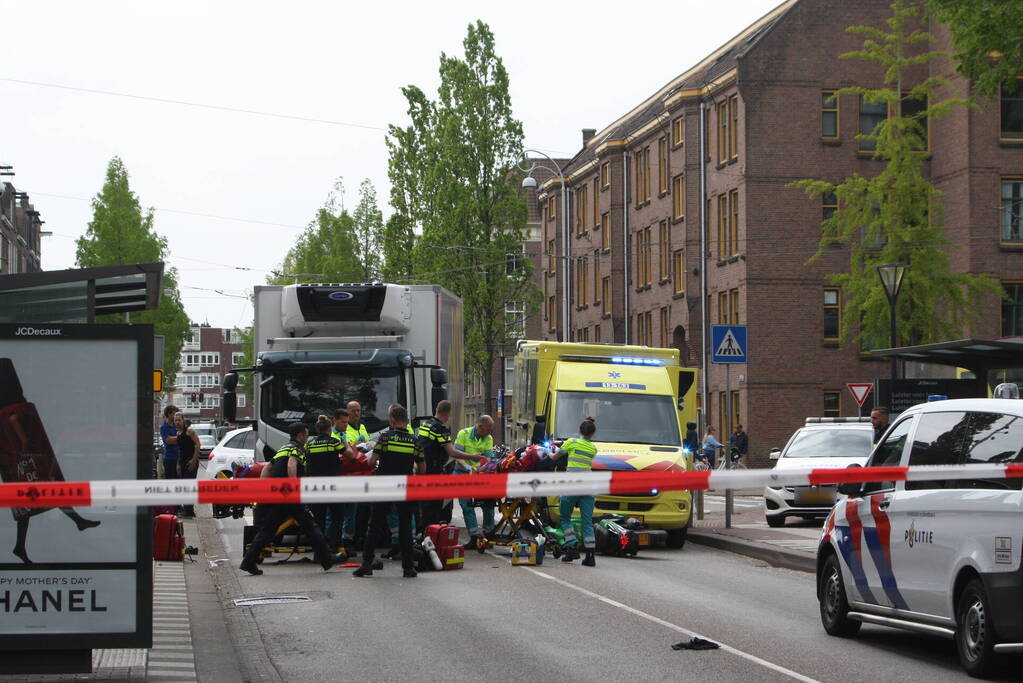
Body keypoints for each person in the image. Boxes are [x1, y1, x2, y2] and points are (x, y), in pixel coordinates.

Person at [239, 423, 343, 576]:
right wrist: (294, 488)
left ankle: (248, 562)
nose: (307, 438)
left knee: (267, 531)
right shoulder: (297, 449)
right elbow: (291, 464)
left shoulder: (283, 449)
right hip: (290, 495)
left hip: (277, 495)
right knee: (311, 527)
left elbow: (267, 468)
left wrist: (264, 489)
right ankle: (327, 559)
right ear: (300, 435)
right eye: (306, 435)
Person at [353, 404, 424, 578]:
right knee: (405, 526)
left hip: (383, 485)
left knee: (374, 525)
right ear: (405, 421)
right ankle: (408, 568)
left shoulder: (385, 437)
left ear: (392, 419)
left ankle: (367, 564)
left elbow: (371, 462)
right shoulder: (415, 441)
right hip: (405, 486)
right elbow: (422, 468)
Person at [416, 400, 482, 528]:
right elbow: (452, 452)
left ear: (437, 410)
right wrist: (472, 457)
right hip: (434, 473)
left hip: (423, 470)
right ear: (448, 413)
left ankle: (422, 535)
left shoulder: (425, 425)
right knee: (434, 507)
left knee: (424, 507)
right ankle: (431, 537)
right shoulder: (440, 429)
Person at [549, 417, 599, 567]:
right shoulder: (593, 448)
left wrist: (548, 451)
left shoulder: (572, 442)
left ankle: (572, 547)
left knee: (564, 518)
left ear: (579, 430)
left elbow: (555, 457)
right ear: (593, 434)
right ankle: (590, 556)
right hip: (588, 486)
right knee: (587, 522)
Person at [452, 415, 495, 548]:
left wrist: (478, 470)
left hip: (480, 474)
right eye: (489, 429)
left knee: (488, 504)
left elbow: (488, 458)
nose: (490, 432)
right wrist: (468, 467)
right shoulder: (463, 434)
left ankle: (488, 535)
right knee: (467, 506)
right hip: (462, 473)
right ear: (480, 427)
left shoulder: (488, 438)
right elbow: (457, 455)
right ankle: (474, 537)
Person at [306, 415, 346, 552]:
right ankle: (334, 547)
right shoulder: (334, 442)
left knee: (318, 519)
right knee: (337, 516)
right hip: (332, 484)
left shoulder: (309, 444)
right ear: (330, 428)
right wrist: (345, 443)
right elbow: (350, 455)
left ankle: (319, 551)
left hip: (315, 486)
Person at [174, 414, 200, 517]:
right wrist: (178, 464)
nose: (177, 422)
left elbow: (198, 444)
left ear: (183, 420)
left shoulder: (189, 431)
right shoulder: (178, 433)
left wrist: (194, 460)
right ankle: (187, 509)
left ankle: (189, 511)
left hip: (191, 462)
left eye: (179, 420)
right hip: (183, 462)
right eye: (176, 421)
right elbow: (180, 450)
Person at [159, 405, 180, 479]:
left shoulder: (177, 425)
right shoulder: (164, 427)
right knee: (170, 482)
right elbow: (169, 441)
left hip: (179, 459)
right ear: (169, 414)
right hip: (169, 459)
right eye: (174, 414)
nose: (176, 416)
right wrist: (181, 438)